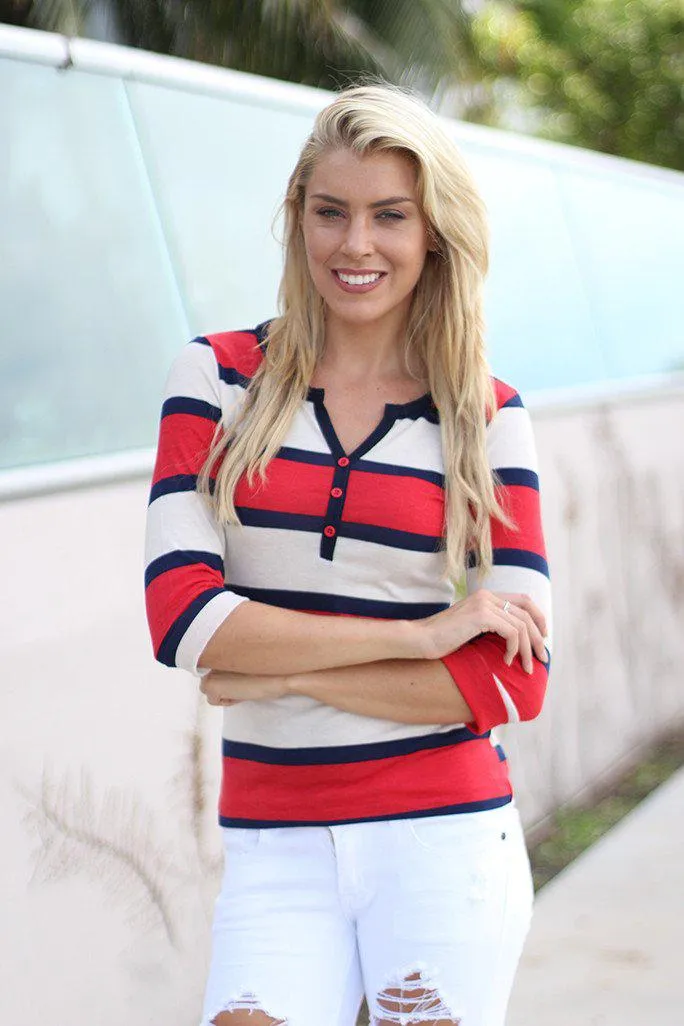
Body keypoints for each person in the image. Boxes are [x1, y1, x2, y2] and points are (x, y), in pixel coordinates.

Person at [144, 84, 551, 1026]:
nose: (355, 245)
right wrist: (421, 641)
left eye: (389, 216)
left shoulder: (486, 415)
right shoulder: (216, 378)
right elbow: (184, 620)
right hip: (272, 841)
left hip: (446, 841)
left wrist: (270, 669)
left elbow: (509, 683)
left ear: (433, 234)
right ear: (297, 219)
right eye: (330, 212)